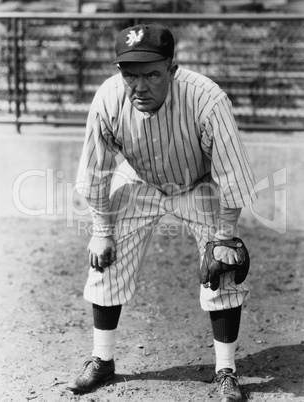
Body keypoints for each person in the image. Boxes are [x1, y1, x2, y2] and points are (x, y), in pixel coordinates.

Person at [69, 23, 256, 402]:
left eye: (152, 74)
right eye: (130, 75)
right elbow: (94, 172)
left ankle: (226, 371)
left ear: (172, 69)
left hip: (198, 183)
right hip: (139, 181)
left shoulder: (206, 99)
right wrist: (101, 229)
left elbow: (232, 174)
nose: (140, 86)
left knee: (226, 264)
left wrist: (224, 236)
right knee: (105, 257)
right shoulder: (108, 99)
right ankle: (102, 360)